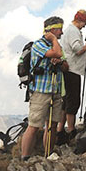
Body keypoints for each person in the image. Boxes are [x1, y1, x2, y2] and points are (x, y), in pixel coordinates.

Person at [20, 17, 69, 160]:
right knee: (34, 125)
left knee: (52, 124)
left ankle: (48, 153)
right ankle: (25, 157)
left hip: (56, 90)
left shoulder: (57, 46)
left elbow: (66, 66)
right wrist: (53, 40)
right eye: (59, 29)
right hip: (41, 91)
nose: (61, 32)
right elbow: (57, 53)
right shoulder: (38, 44)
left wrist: (59, 62)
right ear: (51, 30)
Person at [57, 10, 86, 143]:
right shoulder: (74, 31)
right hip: (73, 69)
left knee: (66, 100)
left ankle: (61, 130)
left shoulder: (69, 30)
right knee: (73, 100)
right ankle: (70, 129)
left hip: (69, 69)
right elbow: (77, 49)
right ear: (81, 21)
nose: (83, 26)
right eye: (84, 23)